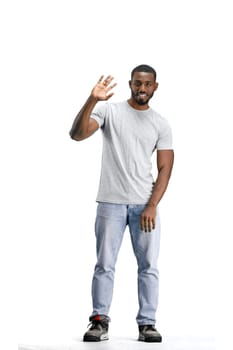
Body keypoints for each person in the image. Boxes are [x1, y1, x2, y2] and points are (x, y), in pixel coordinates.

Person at [69, 64, 174, 342]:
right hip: (110, 204)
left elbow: (165, 168)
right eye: (137, 83)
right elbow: (77, 134)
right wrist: (93, 99)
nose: (142, 89)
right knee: (104, 264)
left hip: (144, 206)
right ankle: (99, 322)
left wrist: (152, 205)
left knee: (148, 266)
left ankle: (147, 323)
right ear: (130, 83)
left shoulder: (160, 123)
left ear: (155, 87)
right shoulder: (109, 111)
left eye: (147, 84)